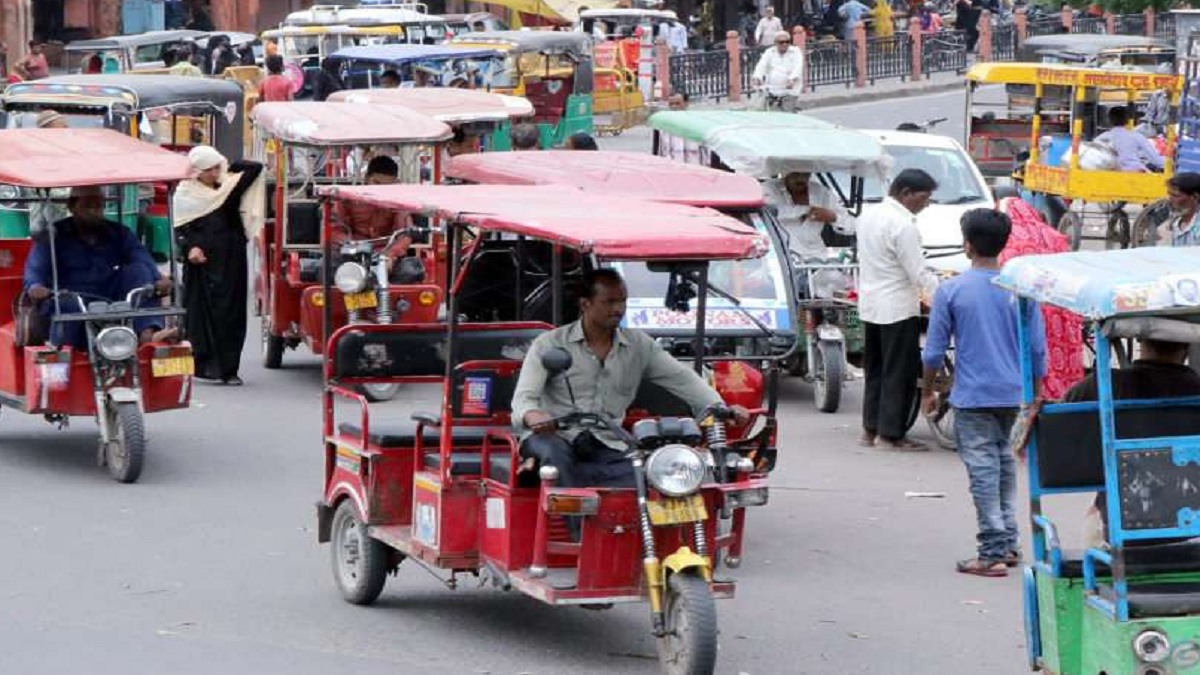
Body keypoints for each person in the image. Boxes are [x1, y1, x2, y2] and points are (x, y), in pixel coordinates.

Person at [511, 269, 750, 498]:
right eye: (610, 302)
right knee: (555, 456)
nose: (618, 309)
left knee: (651, 475)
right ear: (586, 304)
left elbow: (684, 379)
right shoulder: (549, 344)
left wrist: (719, 407)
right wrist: (532, 415)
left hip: (609, 439)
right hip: (556, 436)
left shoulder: (639, 346)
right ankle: (573, 533)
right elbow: (524, 397)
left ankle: (639, 537)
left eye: (623, 301)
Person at [921, 209, 1046, 577]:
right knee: (1005, 464)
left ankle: (992, 551)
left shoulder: (951, 290)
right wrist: (1035, 393)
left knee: (983, 471)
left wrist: (929, 392)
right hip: (1015, 394)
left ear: (967, 245)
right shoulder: (1020, 290)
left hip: (974, 395)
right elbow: (1037, 349)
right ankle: (1007, 542)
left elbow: (933, 352)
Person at [1062, 338, 1200, 542]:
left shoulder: (1101, 385)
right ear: (1187, 347)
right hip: (1193, 529)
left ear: (1140, 341)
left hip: (1118, 529)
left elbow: (1064, 425)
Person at [23, 186, 175, 348]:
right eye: (88, 206)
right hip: (69, 296)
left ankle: (147, 334)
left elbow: (140, 256)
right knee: (66, 304)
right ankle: (65, 352)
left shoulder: (119, 232)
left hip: (109, 293)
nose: (95, 211)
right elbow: (35, 268)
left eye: (99, 206)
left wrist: (158, 278)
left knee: (139, 271)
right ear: (72, 207)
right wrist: (35, 286)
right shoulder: (53, 235)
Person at [857, 168, 939, 450]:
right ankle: (891, 434)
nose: (926, 203)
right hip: (898, 307)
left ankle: (870, 429)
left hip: (871, 303)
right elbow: (919, 273)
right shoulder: (903, 225)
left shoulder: (868, 215)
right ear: (906, 193)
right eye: (923, 197)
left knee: (876, 369)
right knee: (899, 372)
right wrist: (943, 295)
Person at [173, 146, 264, 385]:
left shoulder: (227, 190)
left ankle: (228, 369)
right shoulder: (185, 194)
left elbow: (254, 168)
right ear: (197, 171)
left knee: (230, 313)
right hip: (200, 265)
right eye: (209, 169)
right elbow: (180, 229)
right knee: (199, 315)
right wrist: (189, 248)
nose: (215, 173)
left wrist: (227, 166)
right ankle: (202, 364)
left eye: (216, 168)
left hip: (230, 260)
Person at [994, 195, 1083, 400]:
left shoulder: (1008, 239)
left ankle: (1034, 397)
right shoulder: (1053, 236)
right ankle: (1063, 399)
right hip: (1061, 309)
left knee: (1031, 356)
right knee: (1058, 359)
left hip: (1029, 308)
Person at [764, 171, 854, 260]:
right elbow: (771, 211)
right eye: (796, 173)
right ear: (785, 171)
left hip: (816, 258)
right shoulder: (767, 188)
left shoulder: (822, 192)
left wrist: (834, 217)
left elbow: (850, 225)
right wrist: (807, 210)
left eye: (805, 174)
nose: (801, 179)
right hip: (781, 257)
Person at [1095, 106, 1164, 173]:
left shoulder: (1100, 138)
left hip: (1110, 175)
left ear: (1109, 120)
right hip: (1136, 174)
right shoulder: (1136, 136)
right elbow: (1156, 161)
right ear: (1127, 120)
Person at [751, 32, 804, 97]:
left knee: (787, 106)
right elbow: (761, 65)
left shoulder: (795, 51)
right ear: (775, 43)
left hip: (790, 89)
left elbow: (798, 67)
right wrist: (757, 77)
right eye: (781, 42)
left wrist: (792, 79)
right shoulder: (769, 52)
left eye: (787, 42)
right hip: (771, 88)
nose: (784, 44)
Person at [1163, 172, 1200, 247]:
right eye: (1169, 194)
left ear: (1195, 197)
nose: (1169, 199)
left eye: (1175, 195)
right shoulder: (1176, 222)